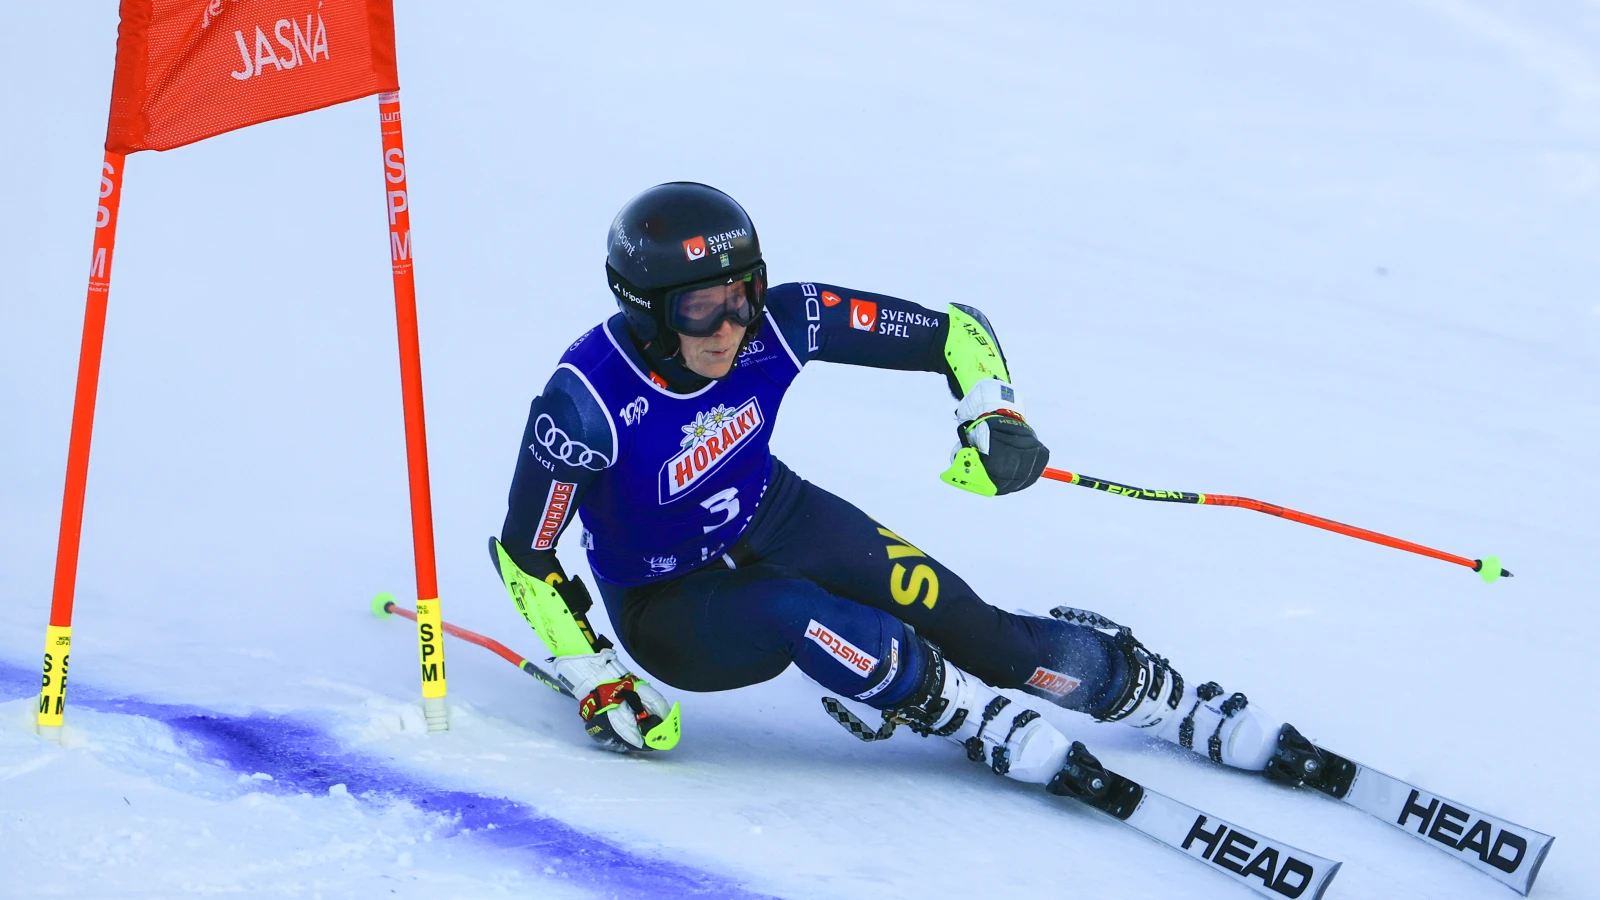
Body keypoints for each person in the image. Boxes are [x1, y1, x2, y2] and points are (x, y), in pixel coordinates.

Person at [491, 182, 1284, 785]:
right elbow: (526, 555)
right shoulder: (586, 405)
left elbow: (955, 334)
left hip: (773, 511)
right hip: (665, 601)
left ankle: (1145, 692)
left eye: (742, 294)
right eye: (701, 308)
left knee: (974, 624)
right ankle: (957, 710)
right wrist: (592, 670)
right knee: (798, 611)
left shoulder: (784, 321)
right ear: (646, 309)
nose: (730, 327)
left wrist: (993, 415)